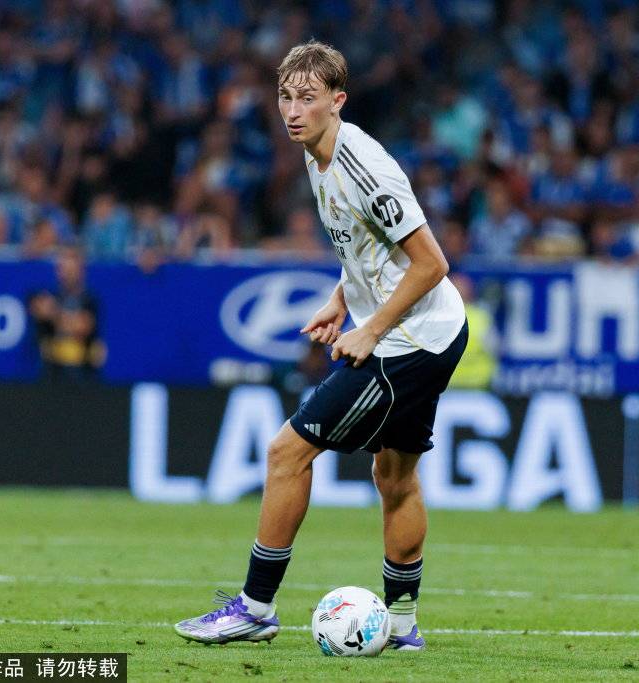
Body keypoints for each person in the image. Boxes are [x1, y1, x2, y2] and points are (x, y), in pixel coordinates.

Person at [175, 41, 467, 652]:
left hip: (411, 339)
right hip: (432, 330)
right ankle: (403, 626)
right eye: (285, 96)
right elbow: (363, 244)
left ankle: (255, 609)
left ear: (338, 101)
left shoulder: (363, 167)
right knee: (394, 476)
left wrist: (371, 328)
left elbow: (432, 263)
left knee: (286, 452)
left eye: (307, 98)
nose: (292, 110)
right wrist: (341, 298)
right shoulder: (317, 154)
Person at [28, 246, 106, 380]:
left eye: (72, 269)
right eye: (64, 268)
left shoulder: (90, 300)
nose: (68, 273)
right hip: (52, 374)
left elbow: (83, 327)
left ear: (81, 271)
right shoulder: (50, 296)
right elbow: (37, 311)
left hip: (83, 374)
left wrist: (54, 314)